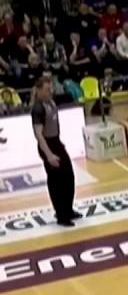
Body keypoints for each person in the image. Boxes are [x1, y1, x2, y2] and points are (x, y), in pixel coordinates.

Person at [30, 76, 79, 227]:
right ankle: (61, 215)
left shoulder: (50, 102)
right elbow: (39, 135)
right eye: (47, 89)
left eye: (51, 88)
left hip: (56, 142)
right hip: (48, 145)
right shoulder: (38, 108)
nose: (50, 91)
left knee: (68, 177)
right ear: (38, 90)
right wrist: (49, 155)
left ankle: (68, 209)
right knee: (56, 181)